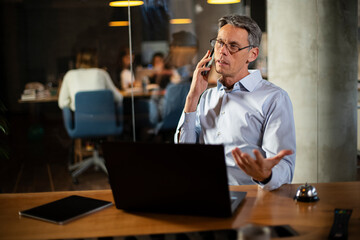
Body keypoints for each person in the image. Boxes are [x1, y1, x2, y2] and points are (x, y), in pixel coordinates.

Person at [174, 14, 296, 191]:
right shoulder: (206, 97)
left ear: (252, 54)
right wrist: (192, 98)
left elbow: (284, 168)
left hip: (251, 198)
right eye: (219, 43)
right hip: (206, 192)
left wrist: (265, 175)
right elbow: (185, 155)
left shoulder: (274, 98)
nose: (222, 51)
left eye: (233, 46)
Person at [58, 48, 123, 111]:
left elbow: (62, 103)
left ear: (78, 60)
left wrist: (74, 103)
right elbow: (118, 98)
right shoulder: (101, 73)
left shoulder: (70, 75)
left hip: (80, 120)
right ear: (96, 60)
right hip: (103, 119)